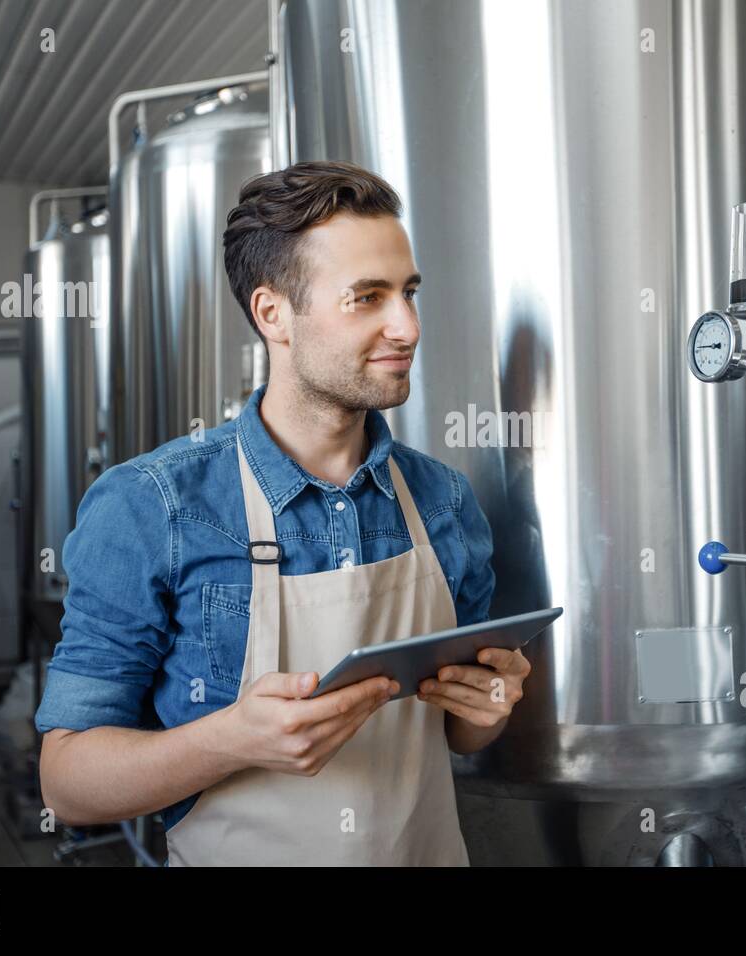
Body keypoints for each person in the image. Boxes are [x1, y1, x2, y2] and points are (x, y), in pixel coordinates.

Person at [35, 160, 529, 866]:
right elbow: (67, 784)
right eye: (368, 297)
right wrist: (232, 739)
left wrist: (491, 706)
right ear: (273, 314)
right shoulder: (153, 506)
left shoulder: (443, 499)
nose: (408, 326)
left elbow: (458, 733)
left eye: (410, 292)